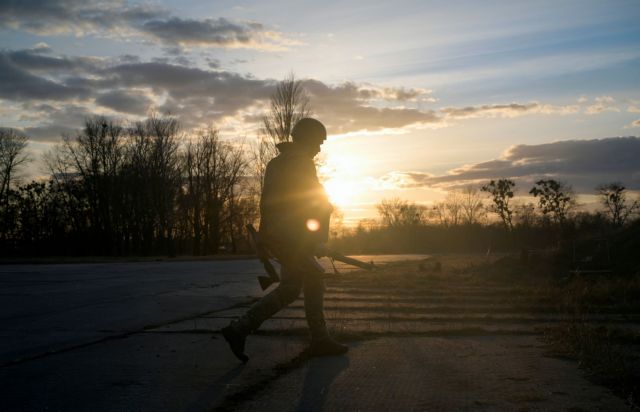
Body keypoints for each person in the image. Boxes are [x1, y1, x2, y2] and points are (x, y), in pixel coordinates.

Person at [221, 118, 348, 363]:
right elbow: (315, 203)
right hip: (292, 237)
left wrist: (268, 237)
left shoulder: (277, 163)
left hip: (279, 235)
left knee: (290, 288)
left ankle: (239, 329)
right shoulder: (301, 163)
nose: (319, 148)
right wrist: (317, 238)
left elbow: (269, 204)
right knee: (314, 278)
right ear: (308, 139)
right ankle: (319, 340)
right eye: (318, 142)